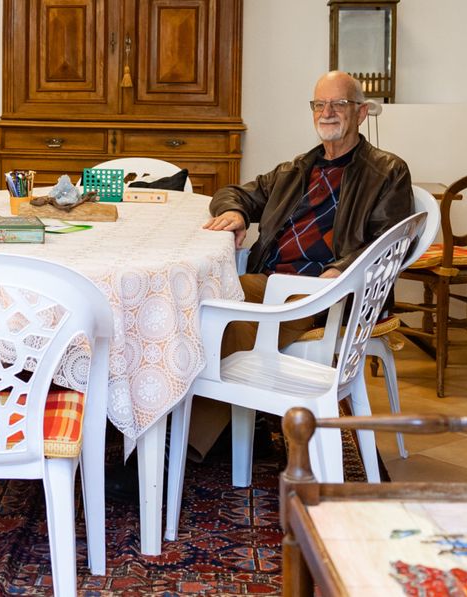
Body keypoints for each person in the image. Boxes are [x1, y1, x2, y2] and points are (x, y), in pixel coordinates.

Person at [189, 70, 415, 460]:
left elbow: (388, 242)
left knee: (234, 325)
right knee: (198, 302)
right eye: (319, 104)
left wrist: (340, 270)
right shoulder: (296, 170)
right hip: (272, 279)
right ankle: (224, 419)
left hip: (327, 291)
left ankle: (186, 443)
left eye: (339, 104)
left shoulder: (387, 172)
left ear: (361, 113)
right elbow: (232, 193)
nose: (327, 112)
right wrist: (237, 213)